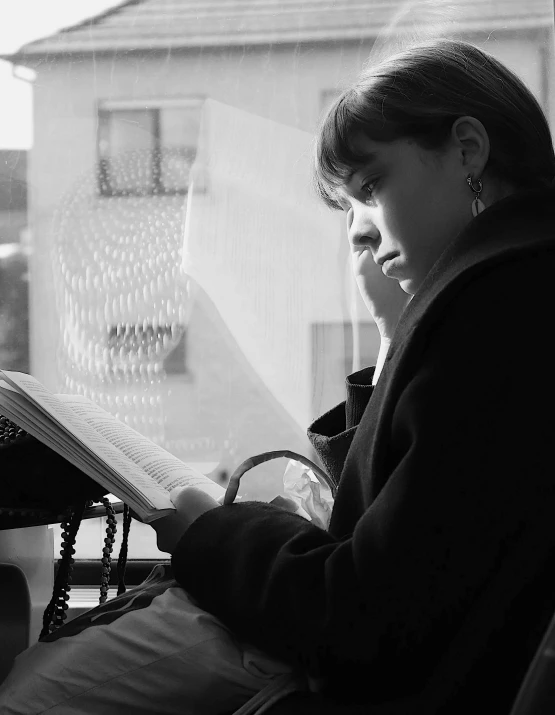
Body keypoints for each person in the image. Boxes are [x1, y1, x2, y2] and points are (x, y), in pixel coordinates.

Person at [151, 38, 555, 714]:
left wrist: (209, 535)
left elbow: (358, 616)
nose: (357, 232)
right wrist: (393, 333)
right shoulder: (507, 294)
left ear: (466, 150)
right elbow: (406, 533)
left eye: (371, 186)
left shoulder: (495, 312)